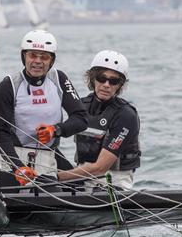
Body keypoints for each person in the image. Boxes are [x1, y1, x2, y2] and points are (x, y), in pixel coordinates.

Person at [0, 29, 87, 186]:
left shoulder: (59, 79)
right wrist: (18, 167)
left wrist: (55, 130)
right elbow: (1, 132)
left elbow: (81, 118)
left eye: (44, 57)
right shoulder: (9, 85)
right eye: (32, 55)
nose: (38, 61)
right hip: (14, 158)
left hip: (46, 158)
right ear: (24, 56)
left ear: (51, 60)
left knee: (77, 186)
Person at [56, 50, 140, 190]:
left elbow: (101, 168)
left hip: (113, 183)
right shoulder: (81, 105)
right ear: (93, 78)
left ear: (120, 85)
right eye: (101, 78)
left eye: (113, 81)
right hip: (80, 177)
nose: (106, 84)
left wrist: (57, 177)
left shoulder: (126, 115)